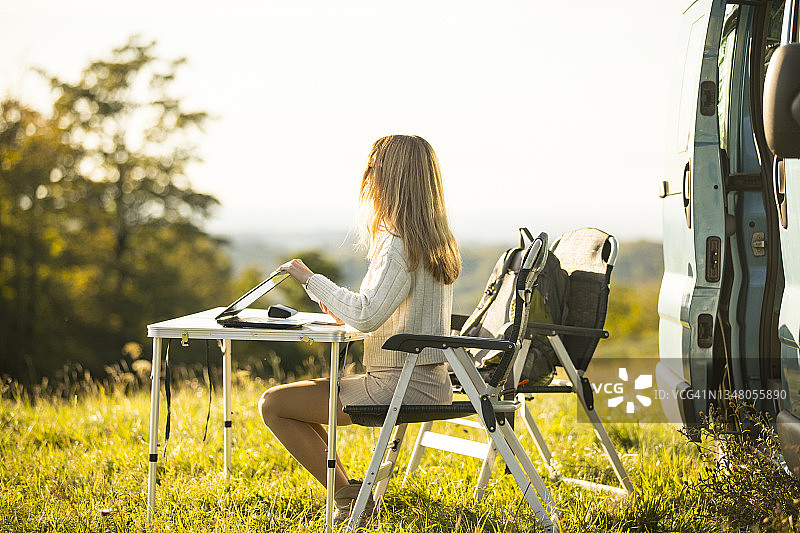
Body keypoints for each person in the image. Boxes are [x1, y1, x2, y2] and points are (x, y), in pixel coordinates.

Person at [257, 134, 461, 524]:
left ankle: (350, 498)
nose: (368, 177)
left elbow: (367, 316)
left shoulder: (397, 242)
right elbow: (382, 310)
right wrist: (342, 309)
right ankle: (352, 495)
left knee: (275, 404)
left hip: (398, 385)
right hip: (426, 379)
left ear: (389, 178)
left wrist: (308, 278)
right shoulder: (435, 239)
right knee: (298, 400)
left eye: (373, 168)